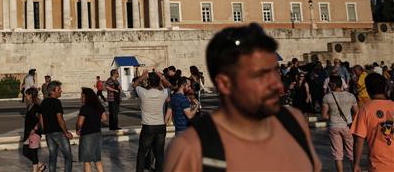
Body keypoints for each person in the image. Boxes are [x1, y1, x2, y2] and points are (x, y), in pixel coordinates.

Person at [164, 23, 321, 171]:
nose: (278, 86)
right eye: (261, 76)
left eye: (275, 72)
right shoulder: (191, 149)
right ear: (225, 84)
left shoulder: (294, 123)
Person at [351, 73, 394, 172]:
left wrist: (356, 164)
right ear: (385, 88)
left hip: (378, 165)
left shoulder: (365, 109)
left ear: (368, 90)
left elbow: (359, 140)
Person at [132, 70, 170, 172]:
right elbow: (170, 86)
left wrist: (142, 76)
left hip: (148, 126)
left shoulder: (143, 93)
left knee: (142, 152)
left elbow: (134, 85)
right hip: (161, 126)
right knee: (159, 154)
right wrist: (162, 77)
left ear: (149, 82)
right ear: (158, 82)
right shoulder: (163, 93)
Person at [321, 75, 358, 172]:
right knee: (351, 152)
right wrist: (350, 120)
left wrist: (333, 117)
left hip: (334, 127)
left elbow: (324, 116)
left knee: (337, 154)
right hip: (347, 126)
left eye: (329, 84)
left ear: (333, 85)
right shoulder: (351, 96)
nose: (329, 86)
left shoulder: (327, 97)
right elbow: (357, 113)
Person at [39, 80, 73, 172]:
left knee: (53, 156)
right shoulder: (56, 102)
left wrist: (44, 130)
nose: (61, 91)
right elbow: (60, 118)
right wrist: (66, 132)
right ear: (52, 91)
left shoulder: (44, 102)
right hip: (58, 132)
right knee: (68, 156)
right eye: (59, 89)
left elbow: (41, 118)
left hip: (48, 133)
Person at [76, 87, 107, 172]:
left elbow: (80, 123)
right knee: (97, 159)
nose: (80, 98)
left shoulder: (84, 108)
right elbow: (104, 118)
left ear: (87, 97)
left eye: (82, 96)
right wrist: (95, 120)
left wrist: (78, 129)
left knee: (87, 160)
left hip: (87, 135)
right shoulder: (99, 106)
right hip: (97, 134)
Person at [23, 87, 45, 172]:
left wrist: (35, 129)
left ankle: (35, 170)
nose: (26, 97)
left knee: (33, 152)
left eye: (27, 95)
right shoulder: (29, 106)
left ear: (31, 95)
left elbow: (40, 120)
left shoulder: (36, 107)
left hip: (34, 133)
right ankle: (40, 165)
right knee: (25, 151)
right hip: (28, 133)